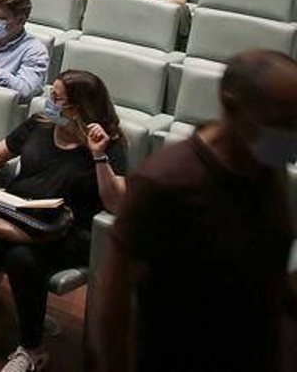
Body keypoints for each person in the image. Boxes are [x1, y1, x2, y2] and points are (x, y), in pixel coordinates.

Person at [99, 50, 296, 372]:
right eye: (283, 122)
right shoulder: (164, 181)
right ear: (232, 107)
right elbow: (114, 304)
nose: (292, 133)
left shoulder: (268, 165)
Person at [0, 70, 127, 372]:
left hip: (66, 230)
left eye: (57, 99)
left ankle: (31, 348)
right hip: (19, 214)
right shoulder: (41, 124)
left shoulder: (108, 143)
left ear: (79, 108)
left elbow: (116, 202)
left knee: (22, 259)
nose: (49, 102)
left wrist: (99, 157)